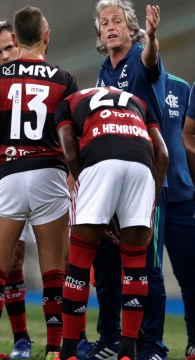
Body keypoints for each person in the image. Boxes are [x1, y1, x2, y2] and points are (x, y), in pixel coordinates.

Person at [0, 7, 78, 360]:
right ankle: (55, 349)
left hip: (9, 173)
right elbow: (70, 135)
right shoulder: (63, 79)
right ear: (46, 36)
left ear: (16, 40)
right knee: (53, 268)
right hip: (49, 172)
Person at [56, 85, 168, 360]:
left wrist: (92, 199)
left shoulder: (69, 102)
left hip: (99, 161)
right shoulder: (138, 101)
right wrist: (149, 208)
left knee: (79, 262)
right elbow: (163, 155)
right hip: (143, 165)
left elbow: (70, 154)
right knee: (134, 263)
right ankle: (128, 352)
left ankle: (69, 351)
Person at [87, 0, 168, 360]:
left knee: (145, 262)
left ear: (131, 26)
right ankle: (110, 339)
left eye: (117, 20)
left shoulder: (140, 54)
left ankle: (150, 346)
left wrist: (151, 36)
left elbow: (151, 62)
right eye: (105, 23)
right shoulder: (105, 70)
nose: (110, 27)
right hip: (110, 174)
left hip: (143, 173)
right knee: (105, 262)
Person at [0, 20, 35, 359]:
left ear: (19, 44)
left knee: (47, 261)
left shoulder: (43, 76)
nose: (3, 56)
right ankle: (18, 339)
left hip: (44, 179)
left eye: (7, 49)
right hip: (6, 178)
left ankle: (61, 342)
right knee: (8, 258)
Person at [160, 70, 195, 357]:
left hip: (180, 194)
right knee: (142, 274)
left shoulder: (180, 86)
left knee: (191, 272)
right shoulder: (115, 84)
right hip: (141, 198)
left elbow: (190, 140)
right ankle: (143, 339)